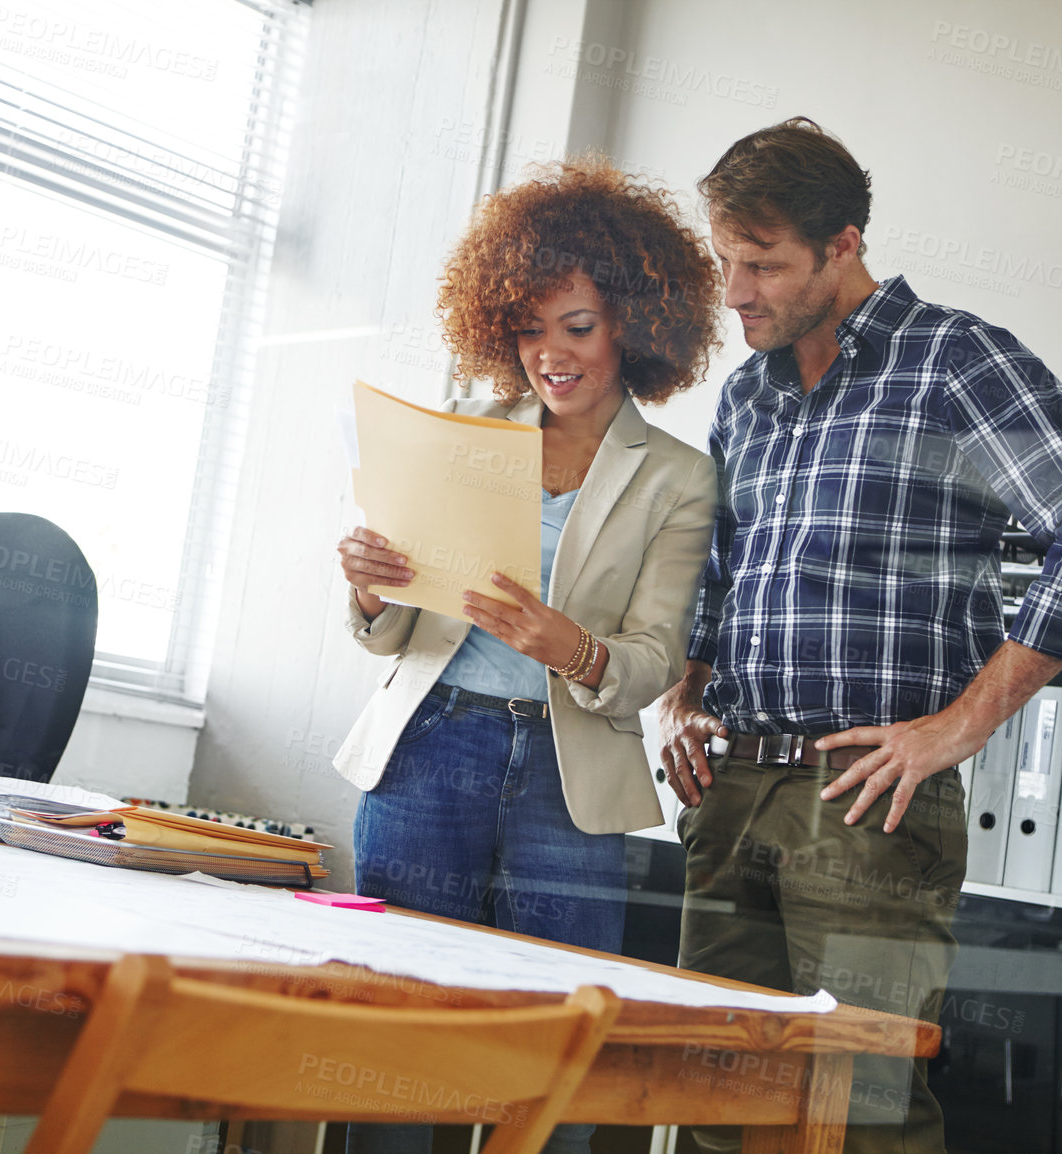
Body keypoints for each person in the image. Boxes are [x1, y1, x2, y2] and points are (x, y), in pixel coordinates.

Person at [656, 119, 1062, 1154]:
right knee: (714, 1101)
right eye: (724, 262)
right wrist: (685, 686)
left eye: (762, 264)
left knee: (860, 1113)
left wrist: (960, 724)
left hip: (864, 798)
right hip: (730, 784)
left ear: (841, 245)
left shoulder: (951, 359)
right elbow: (724, 563)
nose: (736, 291)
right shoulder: (747, 393)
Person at [332, 158, 721, 1154]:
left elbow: (650, 663)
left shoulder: (677, 478)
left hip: (568, 775)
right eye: (530, 327)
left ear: (634, 322)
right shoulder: (462, 436)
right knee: (396, 1035)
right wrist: (372, 585)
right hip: (429, 753)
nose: (551, 352)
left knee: (549, 1053)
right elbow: (394, 629)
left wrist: (571, 644)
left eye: (577, 326)